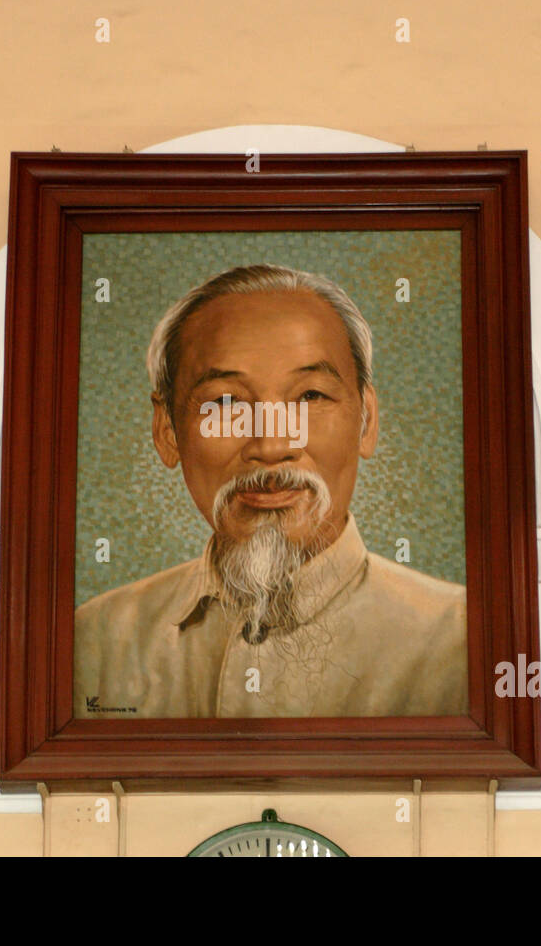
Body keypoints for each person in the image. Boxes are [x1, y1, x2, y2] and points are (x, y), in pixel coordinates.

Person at [74, 264, 467, 718]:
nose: (271, 445)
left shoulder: (459, 640)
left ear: (367, 421)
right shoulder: (95, 642)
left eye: (310, 398)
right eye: (225, 403)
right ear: (166, 431)